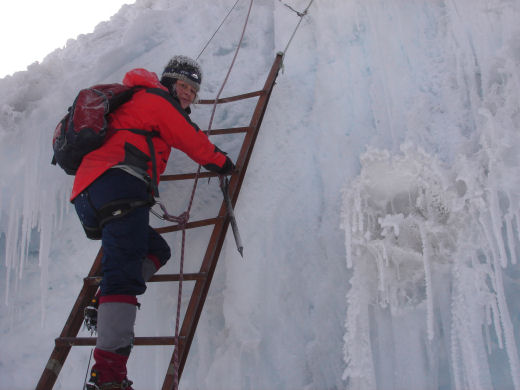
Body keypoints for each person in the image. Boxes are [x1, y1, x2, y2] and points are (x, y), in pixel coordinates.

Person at [72, 55, 235, 390]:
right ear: (169, 82)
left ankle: (102, 298)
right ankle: (108, 374)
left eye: (194, 90)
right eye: (184, 86)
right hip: (119, 184)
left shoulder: (135, 101)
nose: (188, 94)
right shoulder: (156, 100)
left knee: (155, 249)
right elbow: (191, 140)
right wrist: (223, 163)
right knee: (124, 275)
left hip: (91, 194)